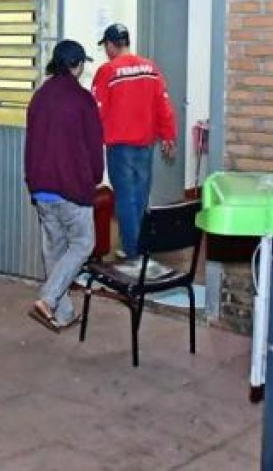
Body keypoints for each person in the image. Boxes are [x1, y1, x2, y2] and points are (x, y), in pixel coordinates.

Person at [24, 39, 104, 332]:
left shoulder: (39, 97)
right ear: (77, 65)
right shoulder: (82, 100)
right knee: (83, 243)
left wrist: (32, 180)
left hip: (42, 188)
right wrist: (95, 177)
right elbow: (94, 145)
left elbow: (31, 142)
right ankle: (48, 298)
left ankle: (63, 313)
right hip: (72, 187)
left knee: (55, 251)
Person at [91, 23, 177, 278]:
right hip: (145, 144)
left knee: (126, 200)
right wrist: (168, 135)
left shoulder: (108, 71)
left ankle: (133, 254)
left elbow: (97, 110)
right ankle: (136, 246)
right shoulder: (150, 68)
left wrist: (91, 142)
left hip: (120, 147)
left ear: (110, 45)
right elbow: (163, 105)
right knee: (139, 198)